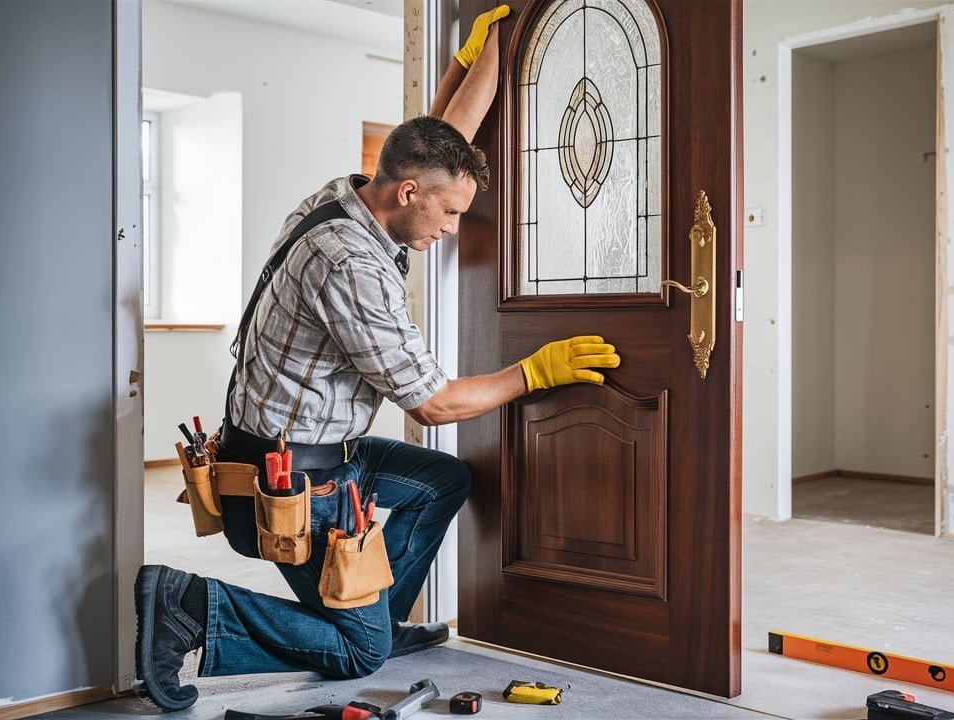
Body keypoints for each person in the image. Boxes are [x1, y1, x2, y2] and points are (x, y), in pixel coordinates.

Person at [134, 6, 621, 711]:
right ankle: (190, 605)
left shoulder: (342, 199)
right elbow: (432, 403)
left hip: (319, 453)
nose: (453, 230)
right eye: (450, 214)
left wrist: (472, 59)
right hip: (292, 487)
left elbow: (427, 144)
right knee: (360, 658)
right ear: (410, 195)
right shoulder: (351, 264)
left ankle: (375, 616)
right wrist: (532, 372)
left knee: (439, 481)